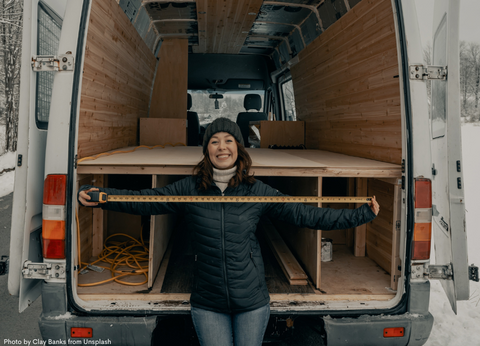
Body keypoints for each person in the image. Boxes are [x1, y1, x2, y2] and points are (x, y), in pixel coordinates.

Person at [78, 117, 379, 346]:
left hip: (252, 301)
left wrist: (360, 215)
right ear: (206, 149)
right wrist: (102, 197)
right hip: (208, 302)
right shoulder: (189, 188)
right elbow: (145, 201)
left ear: (238, 147)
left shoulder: (256, 190)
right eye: (214, 141)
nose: (222, 147)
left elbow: (307, 214)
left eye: (229, 140)